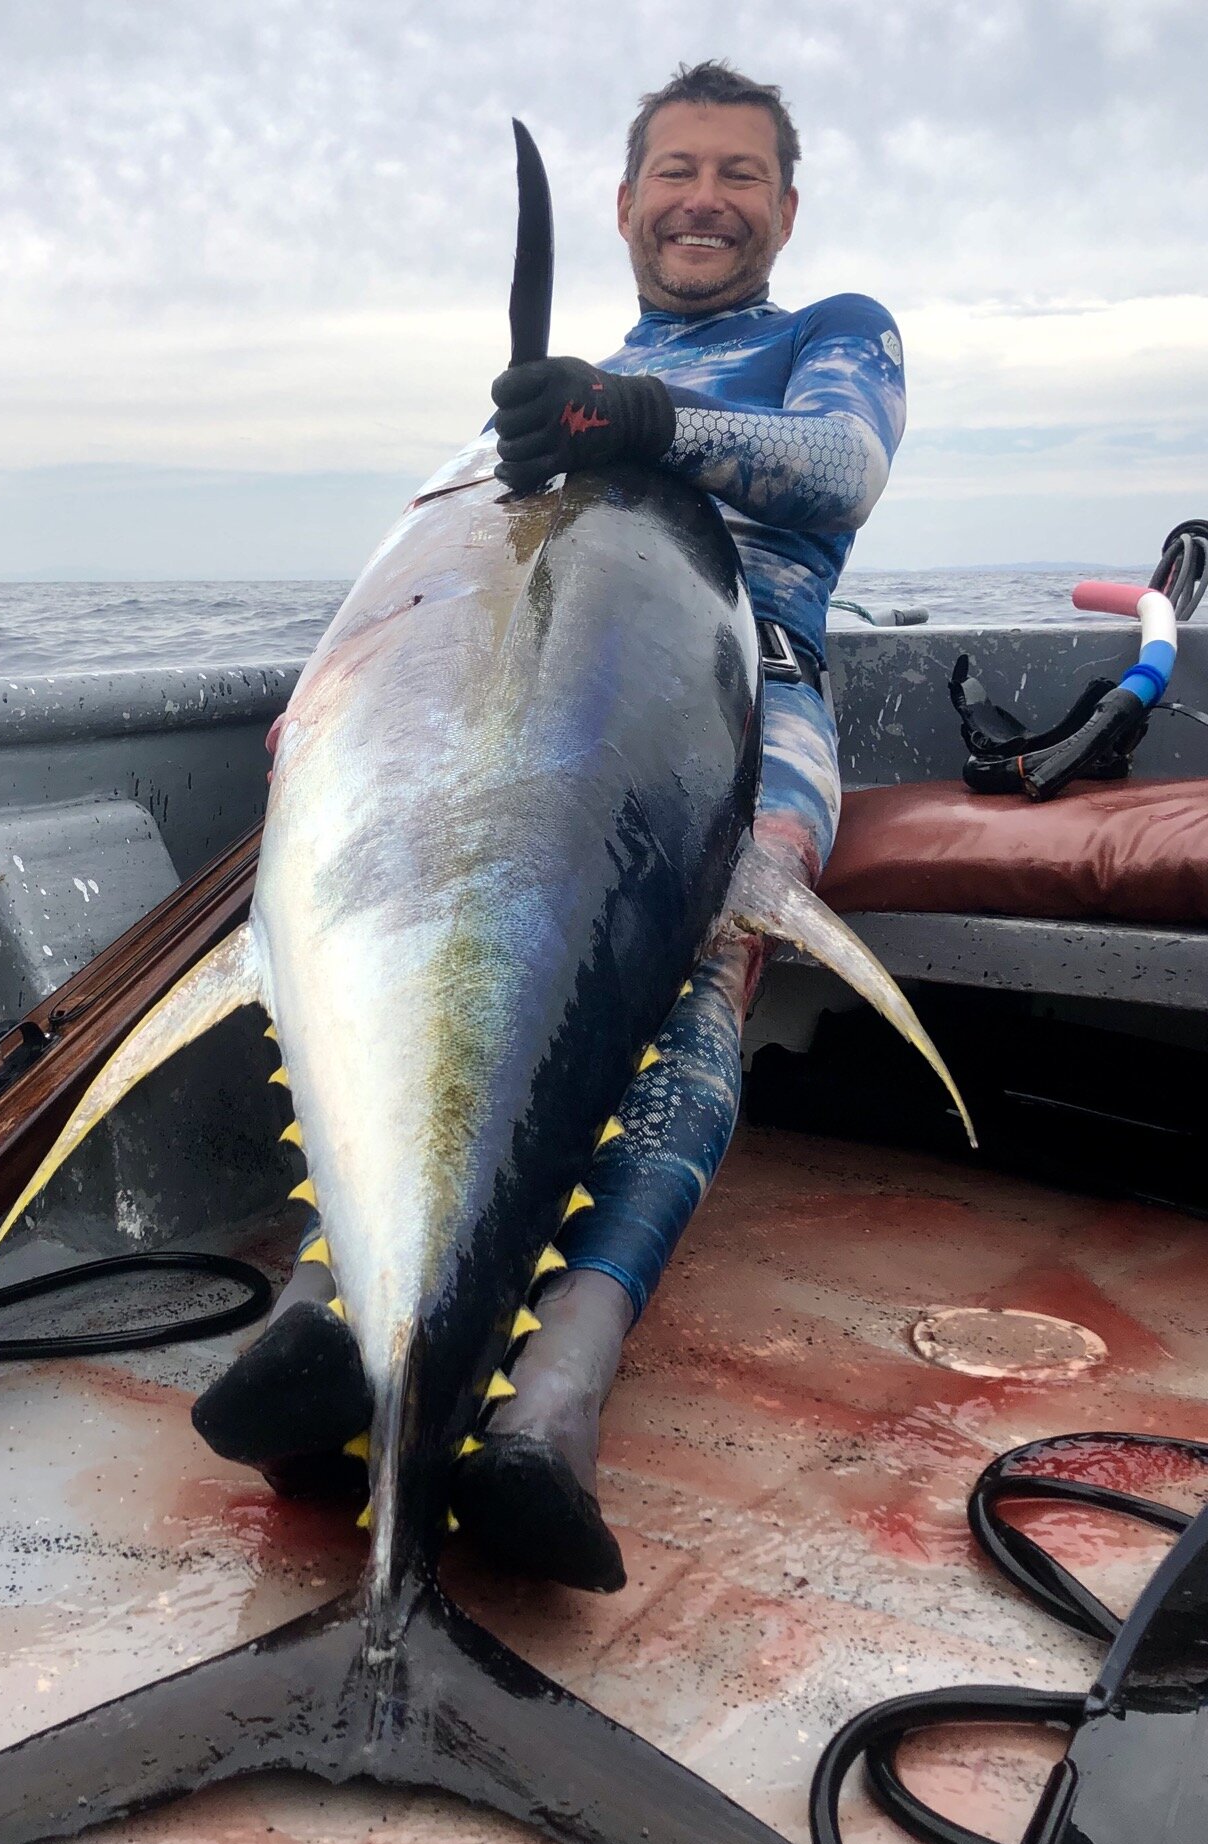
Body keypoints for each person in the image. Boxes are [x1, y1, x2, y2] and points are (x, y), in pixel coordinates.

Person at [194, 60, 905, 1591]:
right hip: (517, 712)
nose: (706, 199)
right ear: (629, 198)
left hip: (745, 709)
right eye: (677, 171)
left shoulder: (828, 335)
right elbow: (432, 562)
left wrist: (637, 416)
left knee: (705, 964)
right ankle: (334, 1320)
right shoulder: (553, 395)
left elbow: (840, 468)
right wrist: (345, 702)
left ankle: (556, 1404)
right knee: (434, 966)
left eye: (740, 174)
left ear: (786, 205)